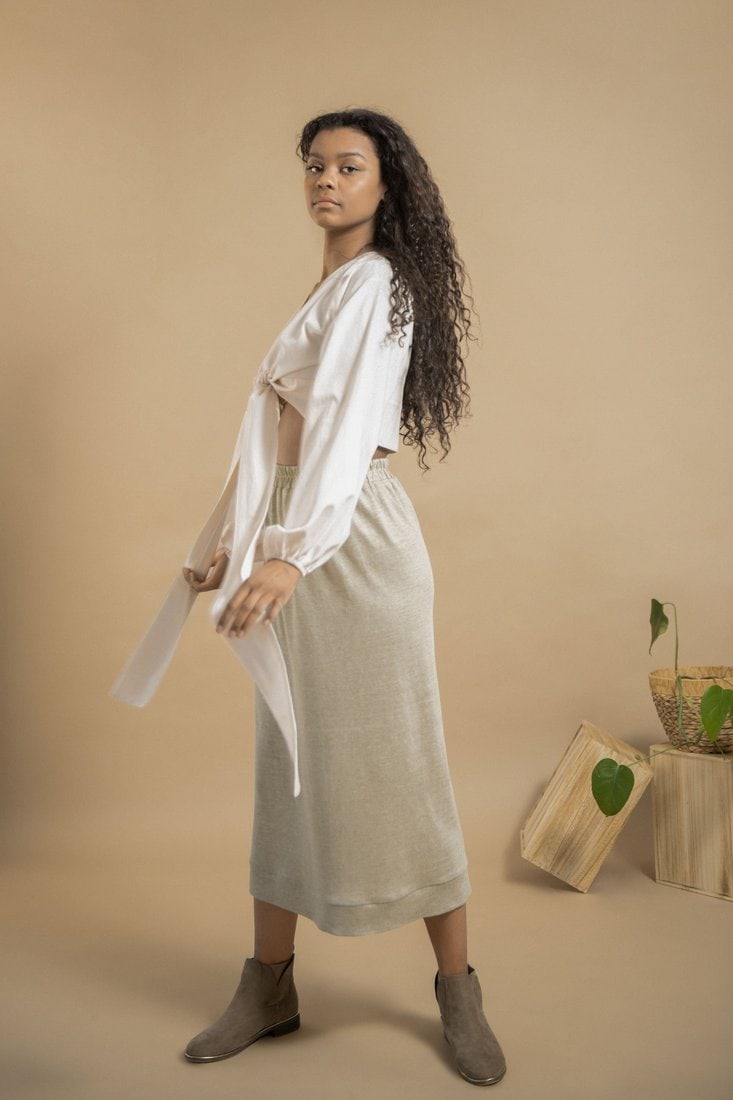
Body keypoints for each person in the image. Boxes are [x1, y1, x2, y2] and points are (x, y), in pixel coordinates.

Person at [114, 107, 505, 1087]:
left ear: (387, 184)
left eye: (348, 166)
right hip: (297, 527)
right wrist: (236, 543)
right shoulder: (333, 283)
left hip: (351, 542)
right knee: (285, 767)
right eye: (315, 165)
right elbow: (279, 442)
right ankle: (269, 986)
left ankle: (458, 988)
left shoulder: (375, 283)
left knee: (402, 763)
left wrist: (292, 555)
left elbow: (344, 435)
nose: (326, 180)